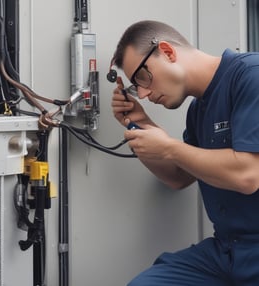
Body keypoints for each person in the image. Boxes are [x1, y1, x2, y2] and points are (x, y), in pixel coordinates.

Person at [109, 20, 259, 286]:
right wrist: (142, 124)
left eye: (143, 77)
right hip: (226, 252)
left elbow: (248, 174)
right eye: (135, 86)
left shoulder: (251, 75)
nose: (143, 94)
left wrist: (168, 147)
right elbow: (179, 177)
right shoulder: (198, 109)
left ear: (167, 51)